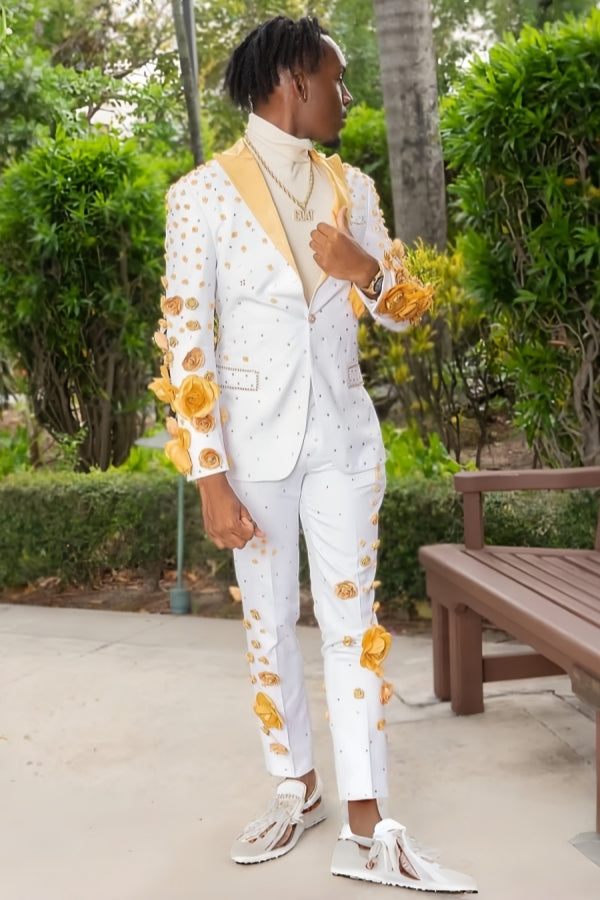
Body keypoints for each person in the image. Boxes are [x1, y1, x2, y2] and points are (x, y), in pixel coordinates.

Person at [150, 14, 476, 893]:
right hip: (251, 450)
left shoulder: (352, 188)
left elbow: (401, 311)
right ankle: (295, 785)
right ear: (294, 81)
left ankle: (368, 821)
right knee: (268, 623)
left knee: (351, 624)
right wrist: (209, 475)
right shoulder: (200, 195)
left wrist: (365, 268)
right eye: (337, 79)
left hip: (342, 441)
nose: (348, 95)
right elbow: (187, 343)